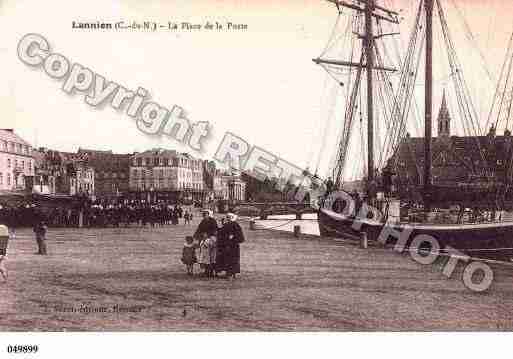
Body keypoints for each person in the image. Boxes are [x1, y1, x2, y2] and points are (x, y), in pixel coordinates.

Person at [218, 213, 245, 280]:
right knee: (227, 259)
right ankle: (228, 273)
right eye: (227, 217)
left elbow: (240, 236)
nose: (228, 218)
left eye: (229, 217)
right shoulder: (226, 225)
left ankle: (232, 273)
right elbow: (221, 233)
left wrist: (233, 237)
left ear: (232, 218)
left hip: (234, 246)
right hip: (226, 245)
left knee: (233, 259)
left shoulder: (236, 225)